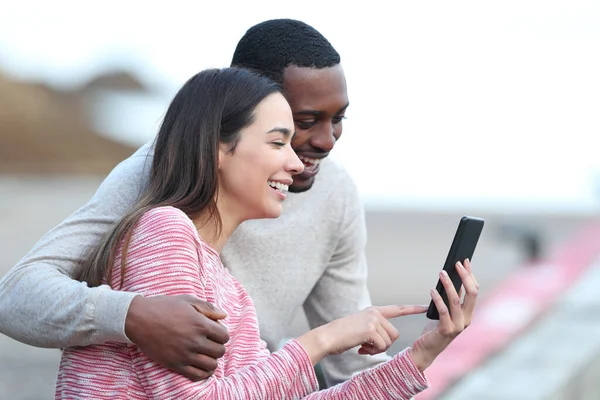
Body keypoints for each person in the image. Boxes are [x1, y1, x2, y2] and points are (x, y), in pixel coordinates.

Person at [0, 19, 480, 387]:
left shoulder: (334, 193)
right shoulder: (158, 179)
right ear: (241, 108)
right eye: (301, 122)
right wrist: (132, 314)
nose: (326, 141)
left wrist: (422, 354)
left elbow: (345, 366)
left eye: (338, 120)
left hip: (263, 382)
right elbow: (15, 297)